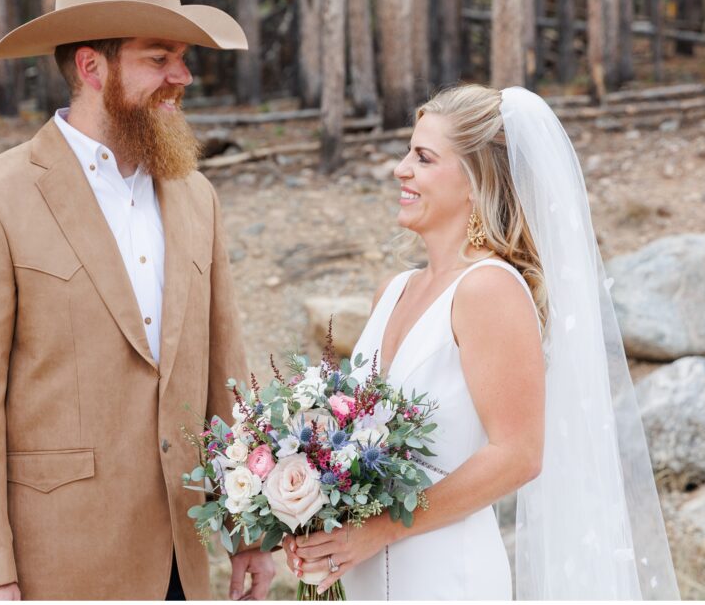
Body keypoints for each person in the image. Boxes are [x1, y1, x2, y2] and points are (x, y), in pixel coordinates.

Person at [0, 0, 275, 600]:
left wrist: (249, 529)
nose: (183, 77)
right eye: (159, 59)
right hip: (54, 564)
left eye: (184, 59)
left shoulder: (197, 195)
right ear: (92, 67)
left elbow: (225, 371)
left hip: (183, 559)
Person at [283, 85, 679, 600]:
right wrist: (312, 517)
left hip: (445, 570)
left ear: (475, 183)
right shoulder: (394, 290)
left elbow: (518, 454)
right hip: (363, 570)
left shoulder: (488, 288)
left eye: (423, 158)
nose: (400, 169)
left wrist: (377, 533)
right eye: (408, 152)